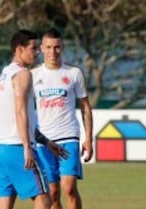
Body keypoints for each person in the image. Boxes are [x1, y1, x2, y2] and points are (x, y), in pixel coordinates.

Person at [0, 29, 68, 209]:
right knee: (44, 199)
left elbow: (16, 116)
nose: (38, 52)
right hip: (17, 147)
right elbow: (20, 112)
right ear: (20, 49)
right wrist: (27, 147)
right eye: (33, 48)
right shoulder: (23, 74)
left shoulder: (5, 74)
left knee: (5, 202)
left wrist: (46, 142)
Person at [31, 28, 93, 209]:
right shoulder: (33, 75)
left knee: (69, 188)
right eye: (48, 47)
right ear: (41, 48)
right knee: (52, 193)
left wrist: (88, 138)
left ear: (62, 47)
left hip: (68, 137)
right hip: (44, 141)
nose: (53, 52)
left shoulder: (73, 73)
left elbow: (85, 107)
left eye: (57, 47)